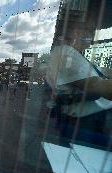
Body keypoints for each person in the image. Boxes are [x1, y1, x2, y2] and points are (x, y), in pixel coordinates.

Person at [46, 12, 112, 148]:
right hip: (82, 125)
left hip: (88, 122)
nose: (92, 36)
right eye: (90, 30)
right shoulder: (66, 54)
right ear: (77, 32)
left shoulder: (74, 55)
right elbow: (96, 85)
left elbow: (101, 70)